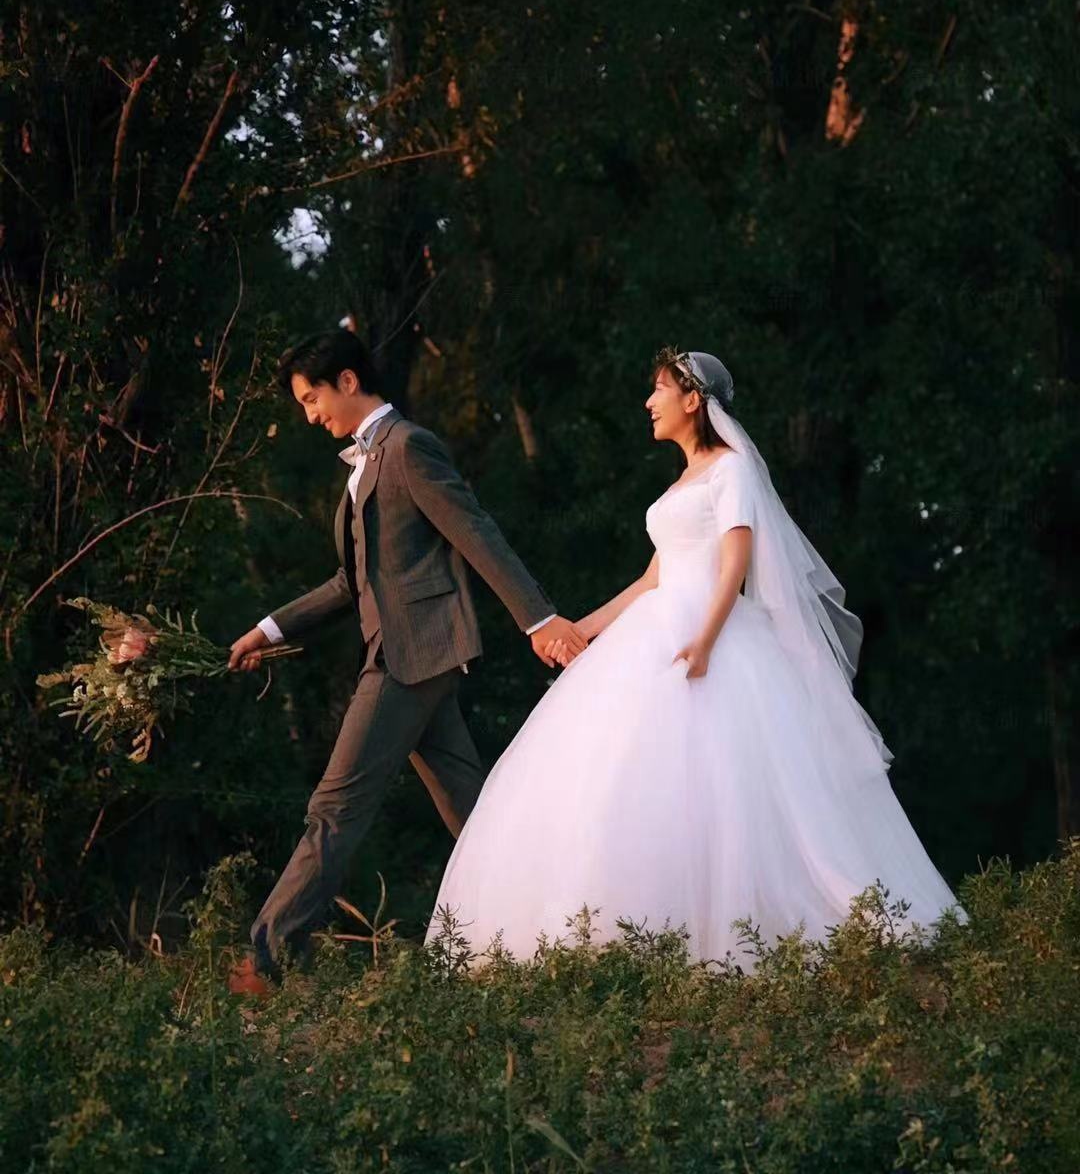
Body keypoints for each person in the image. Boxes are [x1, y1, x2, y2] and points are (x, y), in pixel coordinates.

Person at [423, 347, 968, 971]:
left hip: (711, 634)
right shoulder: (681, 483)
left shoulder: (731, 471)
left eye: (659, 390)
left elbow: (735, 563)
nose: (648, 403)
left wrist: (706, 639)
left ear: (692, 400)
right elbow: (653, 578)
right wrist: (583, 631)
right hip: (658, 626)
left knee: (727, 779)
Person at [226, 329, 584, 993]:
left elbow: (476, 533)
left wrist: (538, 619)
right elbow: (349, 582)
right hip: (412, 658)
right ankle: (562, 925)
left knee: (334, 806)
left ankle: (266, 961)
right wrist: (268, 629)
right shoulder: (363, 464)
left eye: (311, 399)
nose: (310, 416)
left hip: (408, 659)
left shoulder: (408, 447)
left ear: (348, 381)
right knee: (473, 813)